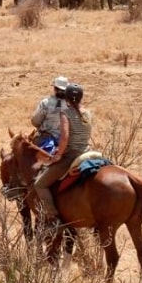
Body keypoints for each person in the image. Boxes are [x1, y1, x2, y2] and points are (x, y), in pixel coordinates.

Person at [34, 83, 92, 225]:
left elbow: (64, 137)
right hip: (88, 152)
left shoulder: (66, 113)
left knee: (39, 184)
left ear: (66, 99)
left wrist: (58, 154)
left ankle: (53, 218)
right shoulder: (88, 113)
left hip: (71, 155)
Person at [30, 76, 69, 154]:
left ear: (55, 88)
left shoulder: (45, 103)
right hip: (65, 141)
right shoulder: (71, 105)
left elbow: (35, 121)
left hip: (45, 139)